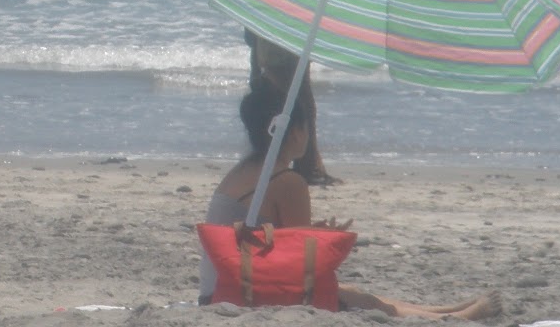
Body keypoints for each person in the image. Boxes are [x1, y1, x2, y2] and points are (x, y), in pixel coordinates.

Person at [199, 82, 501, 318]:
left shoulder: (246, 170)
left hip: (217, 289)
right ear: (293, 132)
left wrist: (314, 231)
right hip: (240, 293)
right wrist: (326, 238)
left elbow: (269, 238)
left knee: (354, 293)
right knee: (359, 299)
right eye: (308, 126)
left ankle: (446, 311)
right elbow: (303, 264)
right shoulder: (287, 181)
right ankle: (454, 318)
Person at [245, 27, 336, 185]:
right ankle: (305, 165)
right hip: (286, 37)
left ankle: (298, 164)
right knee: (298, 104)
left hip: (275, 34)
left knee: (289, 104)